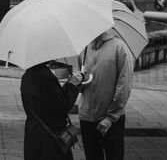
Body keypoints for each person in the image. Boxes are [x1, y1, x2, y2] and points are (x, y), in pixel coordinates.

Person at [78, 29, 135, 160]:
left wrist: (111, 117)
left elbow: (124, 85)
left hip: (110, 120)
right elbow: (83, 83)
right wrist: (78, 83)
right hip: (87, 117)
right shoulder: (85, 49)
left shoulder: (119, 47)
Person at [21, 61, 82, 160]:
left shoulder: (28, 76)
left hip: (33, 133)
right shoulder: (45, 77)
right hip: (49, 136)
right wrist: (72, 85)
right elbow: (62, 106)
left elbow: (50, 100)